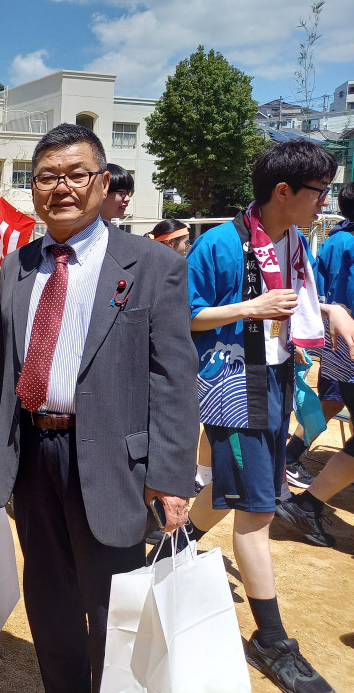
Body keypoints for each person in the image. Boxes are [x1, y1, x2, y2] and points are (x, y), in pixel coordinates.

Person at [0, 123, 198, 693]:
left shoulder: (153, 266)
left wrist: (172, 477)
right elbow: (5, 363)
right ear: (32, 189)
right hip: (33, 452)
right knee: (49, 597)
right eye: (47, 177)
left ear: (102, 183)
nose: (62, 188)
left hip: (112, 462)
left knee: (113, 604)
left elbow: (174, 376)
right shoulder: (19, 264)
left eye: (77, 175)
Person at [185, 139, 352, 693]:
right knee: (258, 508)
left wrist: (333, 313)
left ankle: (177, 542)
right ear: (284, 191)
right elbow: (185, 317)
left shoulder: (296, 241)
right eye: (318, 192)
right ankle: (272, 640)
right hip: (234, 386)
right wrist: (250, 308)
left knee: (242, 486)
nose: (323, 203)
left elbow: (300, 302)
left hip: (279, 376)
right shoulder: (218, 245)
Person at [277, 181, 354, 546]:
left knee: (331, 401)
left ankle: (293, 462)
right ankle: (295, 470)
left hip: (333, 336)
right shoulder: (345, 242)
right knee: (328, 401)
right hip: (344, 336)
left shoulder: (335, 240)